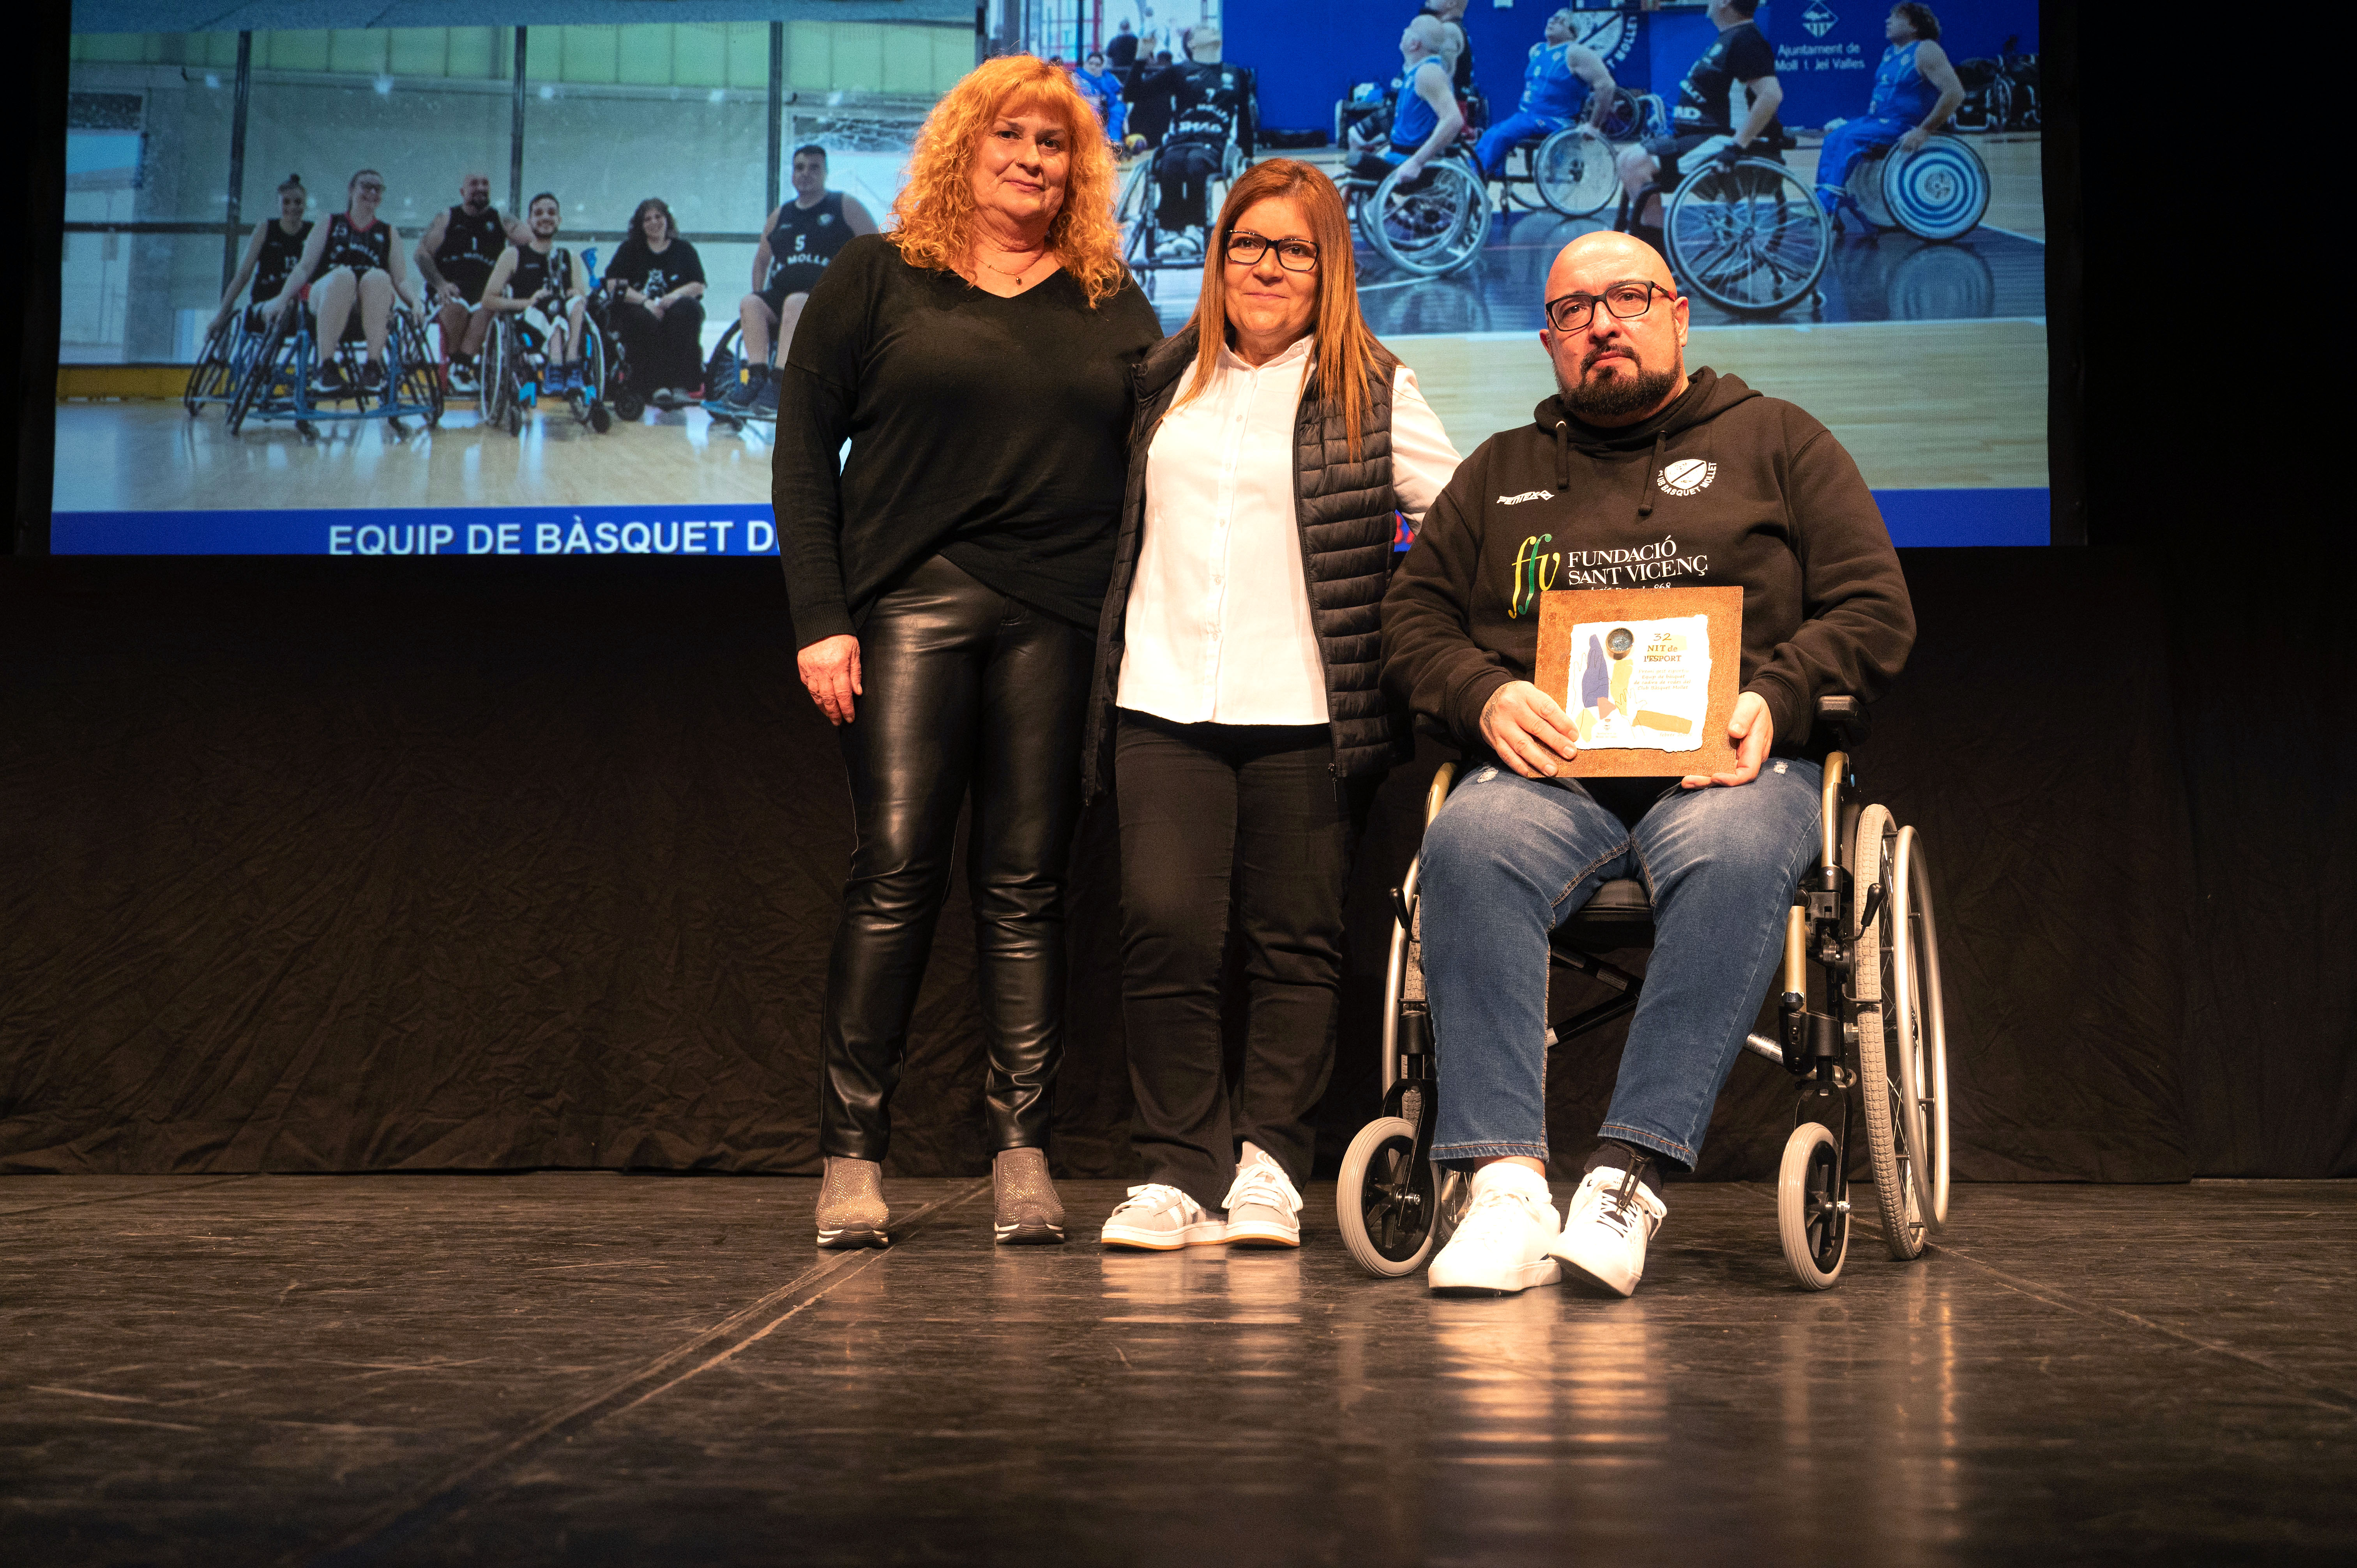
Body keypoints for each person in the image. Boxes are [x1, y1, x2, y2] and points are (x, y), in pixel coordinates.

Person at [1381, 230, 1915, 1298]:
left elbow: (1873, 606)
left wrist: (1777, 693)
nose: (1603, 324)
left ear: (1678, 313)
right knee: (1468, 837)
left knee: (1734, 845)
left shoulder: (1779, 442)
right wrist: (1483, 692)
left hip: (1725, 773)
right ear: (1549, 341)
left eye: (1627, 298)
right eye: (1575, 312)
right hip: (1552, 779)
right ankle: (1504, 1187)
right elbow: (1413, 621)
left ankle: (1627, 1178)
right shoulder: (1499, 474)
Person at [774, 55, 1160, 1252]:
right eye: (1012, 135)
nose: (1032, 160)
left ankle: (1022, 1154)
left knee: (1026, 890)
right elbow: (801, 456)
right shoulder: (878, 277)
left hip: (1059, 615)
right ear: (965, 144)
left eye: (1055, 144)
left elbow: (1166, 448)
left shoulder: (1109, 295)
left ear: (1078, 169)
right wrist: (820, 620)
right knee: (894, 876)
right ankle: (852, 1158)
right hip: (908, 610)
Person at [1084, 160, 1461, 1252]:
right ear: (1219, 257)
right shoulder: (1163, 379)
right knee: (1164, 933)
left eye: (1293, 249)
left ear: (1328, 267)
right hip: (1161, 698)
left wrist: (1396, 617)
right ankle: (1174, 1173)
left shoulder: (1375, 388)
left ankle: (1268, 1166)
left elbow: (1460, 517)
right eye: (1248, 244)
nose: (1267, 266)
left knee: (1295, 943)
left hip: (1308, 712)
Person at [720, 147, 878, 413]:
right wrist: (759, 295)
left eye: (814, 167)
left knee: (795, 302)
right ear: (792, 174)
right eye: (800, 168)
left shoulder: (844, 206)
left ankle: (782, 384)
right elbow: (761, 262)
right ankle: (757, 378)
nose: (806, 173)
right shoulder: (781, 215)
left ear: (826, 172)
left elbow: (877, 249)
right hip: (785, 295)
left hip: (828, 298)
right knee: (751, 303)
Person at [1615, 0, 1785, 246]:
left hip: (1725, 139)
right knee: (1627, 159)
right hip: (1700, 136)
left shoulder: (1747, 40)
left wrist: (1738, 145)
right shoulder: (1729, 38)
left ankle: (1658, 254)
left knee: (1637, 164)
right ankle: (1650, 243)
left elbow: (1771, 95)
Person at [267, 168, 422, 397]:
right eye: (366, 186)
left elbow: (400, 279)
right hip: (324, 299)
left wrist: (417, 302)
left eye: (377, 188)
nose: (372, 192)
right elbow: (304, 268)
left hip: (365, 307)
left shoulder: (389, 232)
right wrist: (282, 300)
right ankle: (326, 366)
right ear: (351, 191)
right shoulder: (329, 223)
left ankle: (372, 366)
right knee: (344, 276)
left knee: (379, 277)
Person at [1816, 4, 1967, 227]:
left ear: (1914, 26)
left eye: (1895, 18)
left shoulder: (1926, 50)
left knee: (1849, 140)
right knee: (1834, 137)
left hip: (1903, 125)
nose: (1888, 22)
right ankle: (1826, 206)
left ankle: (1824, 207)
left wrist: (1924, 130)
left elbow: (1955, 93)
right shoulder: (1889, 53)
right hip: (1878, 121)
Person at [1150, 23, 1258, 254]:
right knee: (1170, 164)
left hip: (1214, 143)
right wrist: (1140, 57)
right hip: (1181, 141)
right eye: (1203, 29)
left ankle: (1196, 229)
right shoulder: (1179, 71)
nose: (1212, 30)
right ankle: (1171, 231)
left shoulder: (1236, 74)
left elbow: (1245, 121)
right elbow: (1133, 93)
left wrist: (1248, 157)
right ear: (1192, 44)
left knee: (1196, 163)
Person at [413, 172, 524, 393]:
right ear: (463, 192)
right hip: (451, 288)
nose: (481, 188)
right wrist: (440, 284)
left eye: (486, 184)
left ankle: (462, 367)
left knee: (490, 305)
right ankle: (457, 366)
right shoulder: (448, 217)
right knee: (456, 304)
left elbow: (531, 242)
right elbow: (421, 254)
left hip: (485, 291)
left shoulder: (500, 219)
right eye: (474, 184)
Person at [1476, 8, 1617, 180]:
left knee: (1501, 135)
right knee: (1491, 134)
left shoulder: (1576, 52)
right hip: (1527, 117)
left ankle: (1475, 176)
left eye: (1560, 21)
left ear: (1572, 32)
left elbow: (1607, 85)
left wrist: (1594, 125)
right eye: (1552, 18)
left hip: (1555, 120)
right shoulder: (1537, 50)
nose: (1552, 21)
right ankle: (1485, 175)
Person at [479, 191, 590, 395]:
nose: (546, 217)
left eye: (551, 213)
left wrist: (576, 292)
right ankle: (556, 366)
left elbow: (580, 299)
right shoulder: (513, 255)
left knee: (575, 302)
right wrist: (528, 302)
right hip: (529, 323)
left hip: (566, 329)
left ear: (559, 220)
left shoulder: (570, 257)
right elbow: (488, 299)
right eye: (539, 213)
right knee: (552, 305)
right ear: (529, 221)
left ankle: (572, 359)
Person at [602, 197, 707, 408]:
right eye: (647, 219)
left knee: (687, 310)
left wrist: (674, 296)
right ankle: (654, 385)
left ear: (667, 220)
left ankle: (681, 385)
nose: (654, 222)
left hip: (674, 310)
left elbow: (699, 285)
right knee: (640, 318)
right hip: (641, 312)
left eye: (658, 217)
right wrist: (646, 302)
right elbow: (613, 284)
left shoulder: (684, 250)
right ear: (640, 226)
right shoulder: (629, 250)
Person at [1345, 15, 1463, 188]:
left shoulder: (1428, 73)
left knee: (1355, 167)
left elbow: (1454, 120)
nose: (1404, 31)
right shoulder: (1415, 72)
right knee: (1354, 159)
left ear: (1414, 44)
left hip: (1408, 160)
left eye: (1408, 29)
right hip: (1398, 154)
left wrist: (1417, 162)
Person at [208, 172, 311, 336]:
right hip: (267, 301)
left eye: (298, 202)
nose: (292, 207)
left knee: (299, 304)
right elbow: (243, 276)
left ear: (305, 204)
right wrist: (221, 316)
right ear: (278, 204)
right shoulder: (266, 229)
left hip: (299, 304)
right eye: (287, 202)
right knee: (286, 306)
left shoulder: (313, 232)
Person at [1124, 49, 1182, 149]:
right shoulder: (1138, 78)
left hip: (1160, 126)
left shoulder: (1167, 79)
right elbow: (1129, 96)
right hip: (1141, 128)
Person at [1073, 50, 1128, 141]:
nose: (1093, 67)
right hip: (1086, 105)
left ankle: (1114, 141)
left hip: (1108, 104)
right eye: (1091, 64)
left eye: (1097, 65)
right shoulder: (1077, 78)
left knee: (1118, 109)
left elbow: (1120, 91)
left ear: (1102, 67)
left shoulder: (1109, 78)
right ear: (1086, 64)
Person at [1105, 19, 1140, 86]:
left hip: (1117, 73)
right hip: (1132, 73)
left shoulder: (1114, 41)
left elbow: (1109, 61)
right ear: (1129, 27)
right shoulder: (1136, 41)